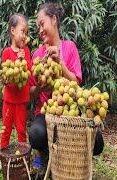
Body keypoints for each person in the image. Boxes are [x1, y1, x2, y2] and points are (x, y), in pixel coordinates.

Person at [28, 2, 104, 171]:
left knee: (97, 142)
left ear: (54, 20)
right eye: (38, 27)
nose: (40, 30)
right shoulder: (37, 55)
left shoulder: (69, 48)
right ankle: (43, 154)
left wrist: (59, 63)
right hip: (47, 113)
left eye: (42, 24)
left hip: (70, 112)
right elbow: (31, 93)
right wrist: (41, 87)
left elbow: (76, 84)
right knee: (36, 135)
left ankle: (71, 154)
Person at [0, 13, 32, 149]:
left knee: (21, 131)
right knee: (6, 129)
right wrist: (16, 61)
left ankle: (23, 159)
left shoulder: (27, 51)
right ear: (13, 31)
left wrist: (22, 61)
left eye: (26, 32)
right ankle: (3, 156)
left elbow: (28, 73)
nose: (24, 35)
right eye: (22, 31)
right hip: (9, 100)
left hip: (21, 101)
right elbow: (6, 76)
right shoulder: (6, 52)